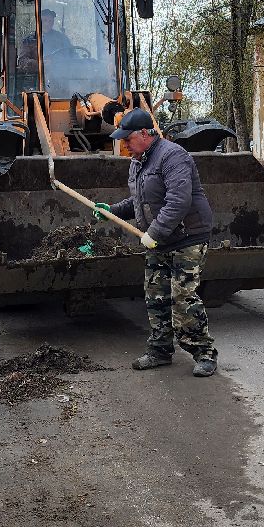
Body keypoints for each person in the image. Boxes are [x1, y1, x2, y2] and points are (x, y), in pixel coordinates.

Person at [94, 108, 218, 377]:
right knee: (156, 297)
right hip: (159, 240)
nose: (124, 145)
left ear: (144, 133)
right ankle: (160, 351)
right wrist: (113, 210)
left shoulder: (173, 156)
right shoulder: (137, 162)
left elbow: (178, 201)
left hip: (187, 237)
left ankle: (204, 353)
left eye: (127, 139)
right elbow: (139, 202)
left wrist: (154, 233)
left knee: (183, 297)